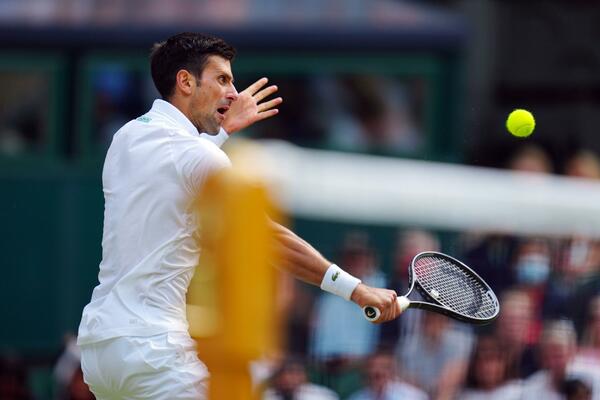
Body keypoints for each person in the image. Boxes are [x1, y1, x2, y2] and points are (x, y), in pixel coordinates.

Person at [76, 32, 402, 400]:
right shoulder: (197, 157)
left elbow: (180, 167)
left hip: (100, 349)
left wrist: (221, 130)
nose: (234, 93)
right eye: (222, 79)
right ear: (185, 81)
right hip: (155, 352)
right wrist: (356, 290)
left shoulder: (126, 137)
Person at [346, 352, 427, 400]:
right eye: (373, 367)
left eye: (383, 367)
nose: (378, 371)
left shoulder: (412, 396)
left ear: (392, 371)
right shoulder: (356, 398)